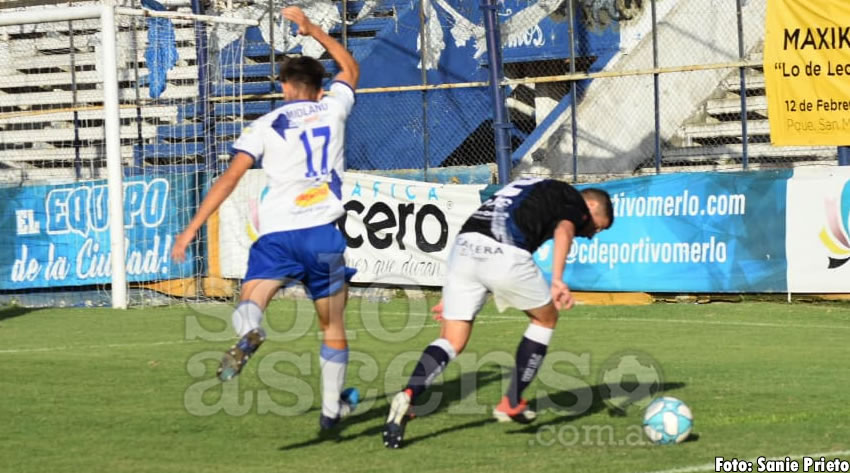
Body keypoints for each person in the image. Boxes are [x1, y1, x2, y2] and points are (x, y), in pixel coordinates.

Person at [171, 6, 360, 431]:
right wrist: (313, 31)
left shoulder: (264, 125)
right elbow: (349, 66)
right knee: (332, 324)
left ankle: (251, 331)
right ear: (317, 87)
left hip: (277, 234)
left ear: (284, 87)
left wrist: (192, 228)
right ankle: (332, 412)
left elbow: (229, 179)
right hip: (322, 233)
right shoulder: (334, 109)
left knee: (251, 298)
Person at [382, 177, 614, 449]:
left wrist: (453, 293)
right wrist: (558, 279)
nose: (590, 234)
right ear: (591, 205)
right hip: (503, 251)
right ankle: (511, 401)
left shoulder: (533, 186)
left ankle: (409, 393)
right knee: (546, 317)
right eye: (597, 227)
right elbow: (565, 230)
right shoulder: (573, 200)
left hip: (464, 248)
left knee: (452, 339)